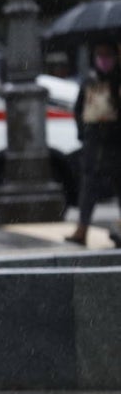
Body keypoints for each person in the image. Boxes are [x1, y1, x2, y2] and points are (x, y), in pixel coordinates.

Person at [66, 42, 121, 246]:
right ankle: (82, 229)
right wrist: (83, 132)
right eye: (100, 55)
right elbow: (79, 108)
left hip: (115, 142)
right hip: (94, 142)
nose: (104, 60)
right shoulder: (90, 80)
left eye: (108, 55)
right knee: (88, 187)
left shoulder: (117, 80)